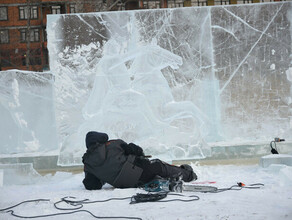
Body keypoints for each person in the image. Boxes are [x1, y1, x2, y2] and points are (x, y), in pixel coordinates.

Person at [82, 131, 197, 190]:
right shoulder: (112, 144)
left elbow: (92, 185)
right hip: (137, 170)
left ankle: (160, 182)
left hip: (123, 184)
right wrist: (137, 152)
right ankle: (188, 174)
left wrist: (103, 175)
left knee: (147, 174)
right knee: (158, 166)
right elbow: (136, 151)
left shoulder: (87, 164)